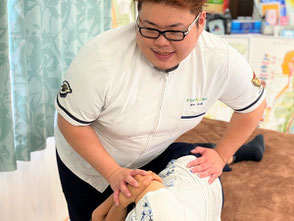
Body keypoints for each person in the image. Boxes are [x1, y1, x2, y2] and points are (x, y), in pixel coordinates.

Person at [54, 0, 267, 220]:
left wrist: (221, 156)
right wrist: (113, 172)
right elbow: (71, 124)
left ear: (200, 22)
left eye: (175, 32)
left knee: (191, 159)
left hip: (156, 154)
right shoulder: (101, 59)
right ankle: (240, 153)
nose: (161, 42)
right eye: (149, 28)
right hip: (92, 165)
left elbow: (254, 106)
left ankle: (234, 154)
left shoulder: (219, 59)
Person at [91, 135, 265, 221]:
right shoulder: (160, 212)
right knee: (195, 152)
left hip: (210, 200)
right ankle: (238, 154)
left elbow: (96, 215)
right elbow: (145, 181)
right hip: (196, 173)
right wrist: (123, 199)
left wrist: (122, 202)